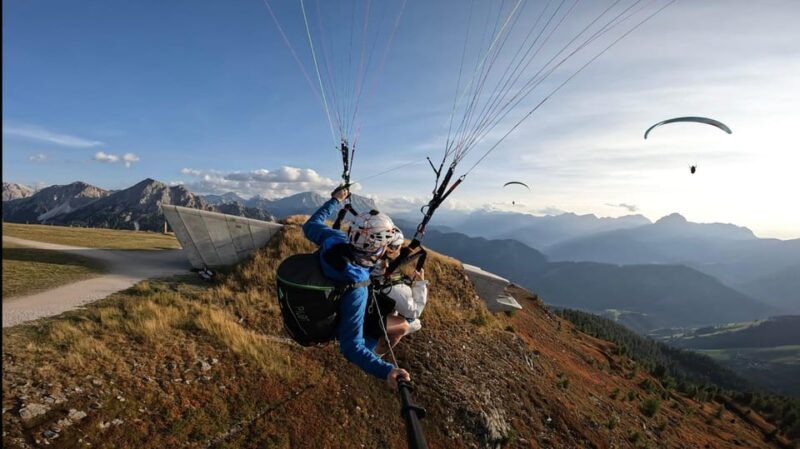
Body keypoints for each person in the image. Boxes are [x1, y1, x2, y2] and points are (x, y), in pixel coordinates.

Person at [302, 186, 411, 390]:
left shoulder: (333, 239)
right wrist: (386, 370)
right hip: (339, 315)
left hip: (325, 289)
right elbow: (351, 346)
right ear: (378, 248)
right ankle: (375, 354)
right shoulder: (356, 287)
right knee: (394, 327)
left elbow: (310, 225)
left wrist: (334, 200)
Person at [369, 230, 428, 354]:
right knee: (413, 323)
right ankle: (376, 354)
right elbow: (414, 311)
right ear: (393, 249)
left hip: (362, 307)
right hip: (369, 319)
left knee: (397, 312)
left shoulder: (368, 263)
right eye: (400, 247)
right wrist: (420, 283)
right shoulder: (391, 286)